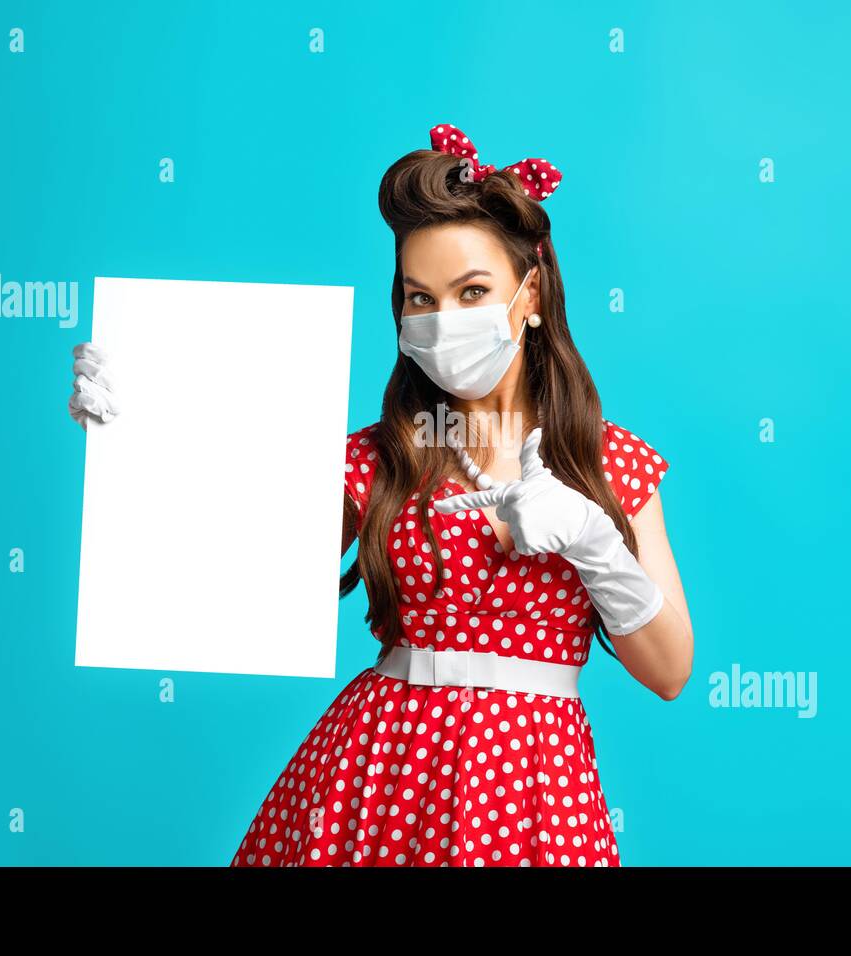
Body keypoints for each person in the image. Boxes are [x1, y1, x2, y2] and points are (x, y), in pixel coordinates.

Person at [68, 123, 694, 867]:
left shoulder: (607, 464)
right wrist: (134, 436)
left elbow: (669, 671)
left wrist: (592, 537)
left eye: (473, 292)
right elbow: (228, 584)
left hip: (535, 790)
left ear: (532, 291)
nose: (444, 320)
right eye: (420, 298)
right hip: (375, 778)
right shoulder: (375, 460)